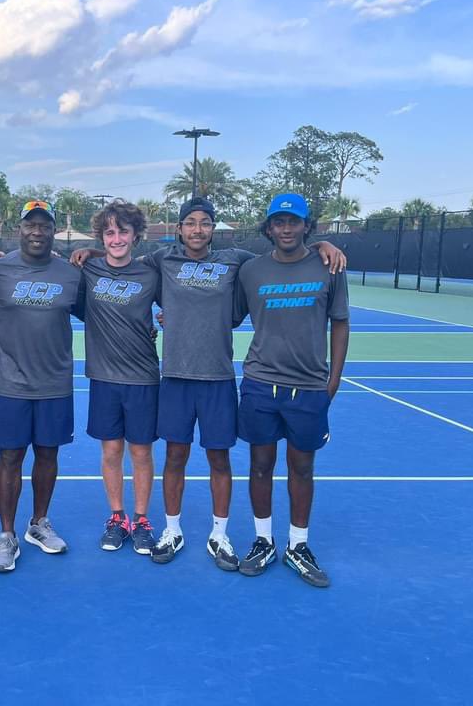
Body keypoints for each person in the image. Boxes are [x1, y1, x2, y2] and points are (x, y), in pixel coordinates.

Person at [74, 197, 344, 570]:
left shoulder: (236, 261)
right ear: (179, 228)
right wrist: (89, 250)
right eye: (190, 223)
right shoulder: (161, 260)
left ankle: (220, 534)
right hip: (175, 377)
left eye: (204, 223)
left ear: (212, 229)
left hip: (218, 377)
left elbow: (282, 256)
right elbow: (122, 258)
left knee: (219, 458)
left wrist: (320, 246)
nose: (197, 229)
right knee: (175, 457)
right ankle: (172, 530)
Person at [233, 193, 350, 588]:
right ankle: (263, 541)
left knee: (302, 468)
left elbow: (340, 323)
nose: (285, 228)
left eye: (293, 221)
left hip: (309, 388)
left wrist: (332, 381)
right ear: (268, 228)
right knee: (260, 465)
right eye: (278, 222)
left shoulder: (329, 265)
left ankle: (298, 545)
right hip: (260, 385)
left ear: (306, 225)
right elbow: (226, 314)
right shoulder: (251, 271)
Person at [0, 200, 82, 572]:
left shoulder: (71, 273)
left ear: (53, 231)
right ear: (19, 229)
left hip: (55, 384)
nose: (37, 231)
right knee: (9, 458)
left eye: (44, 226)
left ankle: (39, 523)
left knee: (48, 455)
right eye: (30, 225)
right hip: (10, 384)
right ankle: (7, 535)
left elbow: (103, 309)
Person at [78, 200, 160, 554]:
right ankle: (117, 517)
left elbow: (183, 302)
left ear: (136, 235)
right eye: (109, 232)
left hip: (142, 377)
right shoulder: (88, 270)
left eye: (123, 231)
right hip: (103, 377)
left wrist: (165, 321)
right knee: (111, 450)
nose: (116, 238)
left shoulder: (150, 275)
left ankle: (141, 520)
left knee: (140, 452)